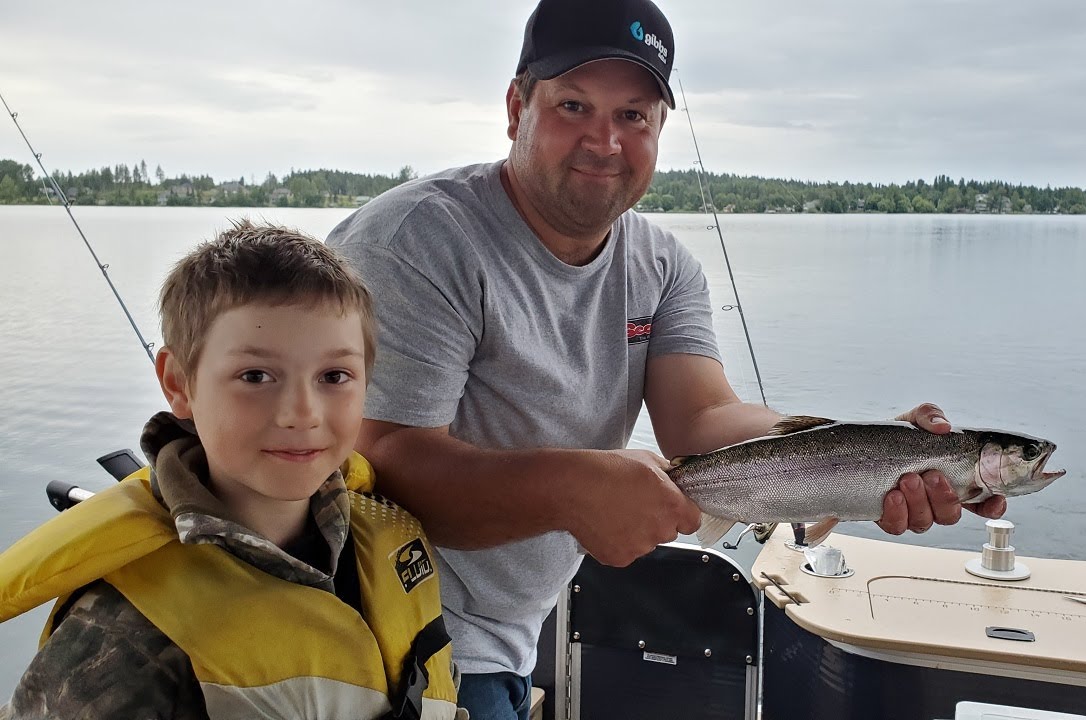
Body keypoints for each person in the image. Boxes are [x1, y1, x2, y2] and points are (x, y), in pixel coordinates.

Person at [326, 0, 1005, 717]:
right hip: (387, 640)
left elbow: (703, 418)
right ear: (515, 107)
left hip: (509, 635)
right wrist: (573, 486)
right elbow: (381, 468)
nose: (604, 141)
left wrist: (868, 451)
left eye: (633, 116)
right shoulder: (417, 243)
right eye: (574, 105)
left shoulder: (662, 264)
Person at [0, 220, 459, 720]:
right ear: (179, 383)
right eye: (256, 376)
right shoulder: (123, 632)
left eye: (334, 376)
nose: (302, 413)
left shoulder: (392, 535)